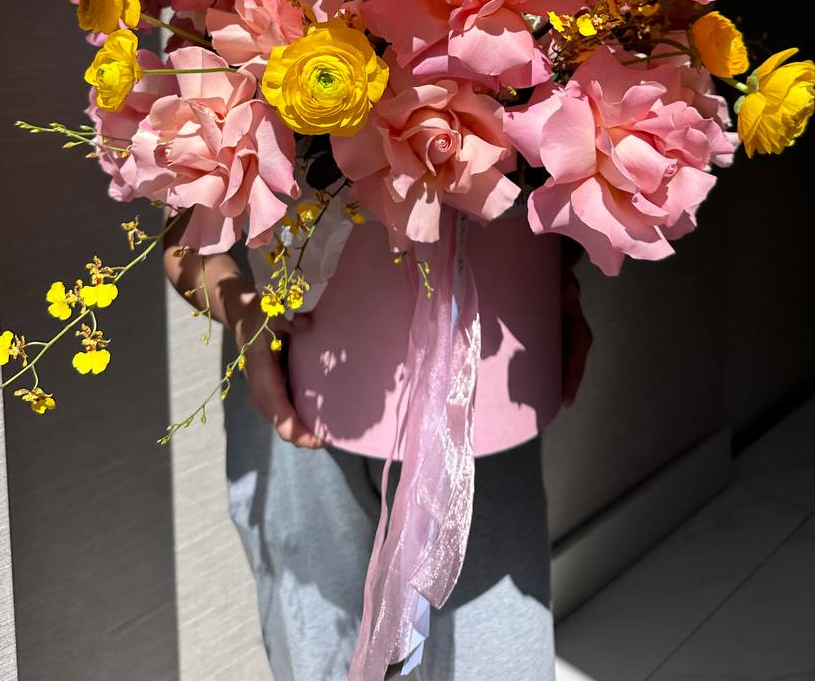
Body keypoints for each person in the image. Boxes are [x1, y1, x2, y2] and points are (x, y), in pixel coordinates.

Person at [165, 213, 592, 681]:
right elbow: (182, 225)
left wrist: (555, 277)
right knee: (320, 652)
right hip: (297, 385)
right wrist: (247, 313)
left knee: (496, 652)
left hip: (477, 386)